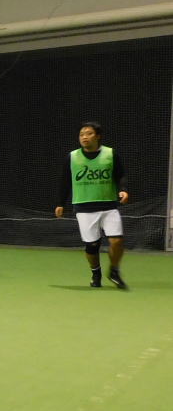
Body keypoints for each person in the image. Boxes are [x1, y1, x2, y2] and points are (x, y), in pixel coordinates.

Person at [55, 122, 129, 289]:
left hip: (109, 206)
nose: (84, 137)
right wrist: (60, 203)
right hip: (84, 208)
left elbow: (120, 175)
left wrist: (123, 190)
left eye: (89, 133)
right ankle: (96, 273)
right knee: (92, 246)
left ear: (98, 136)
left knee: (117, 240)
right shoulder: (72, 157)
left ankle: (114, 271)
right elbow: (65, 181)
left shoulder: (110, 154)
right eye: (82, 134)